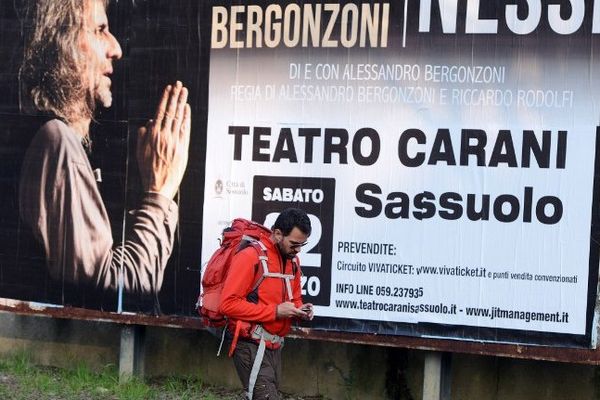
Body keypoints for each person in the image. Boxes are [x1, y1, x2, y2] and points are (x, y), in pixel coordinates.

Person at [17, 0, 191, 302]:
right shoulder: (56, 141)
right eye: (100, 30)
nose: (116, 48)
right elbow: (113, 297)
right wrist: (158, 193)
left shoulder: (61, 141)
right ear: (60, 43)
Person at [220, 208, 314, 400]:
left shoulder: (292, 261)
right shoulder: (249, 256)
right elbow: (227, 304)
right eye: (294, 244)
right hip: (250, 345)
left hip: (275, 346)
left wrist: (301, 309)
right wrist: (275, 311)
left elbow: (295, 298)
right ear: (278, 233)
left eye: (302, 244)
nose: (298, 250)